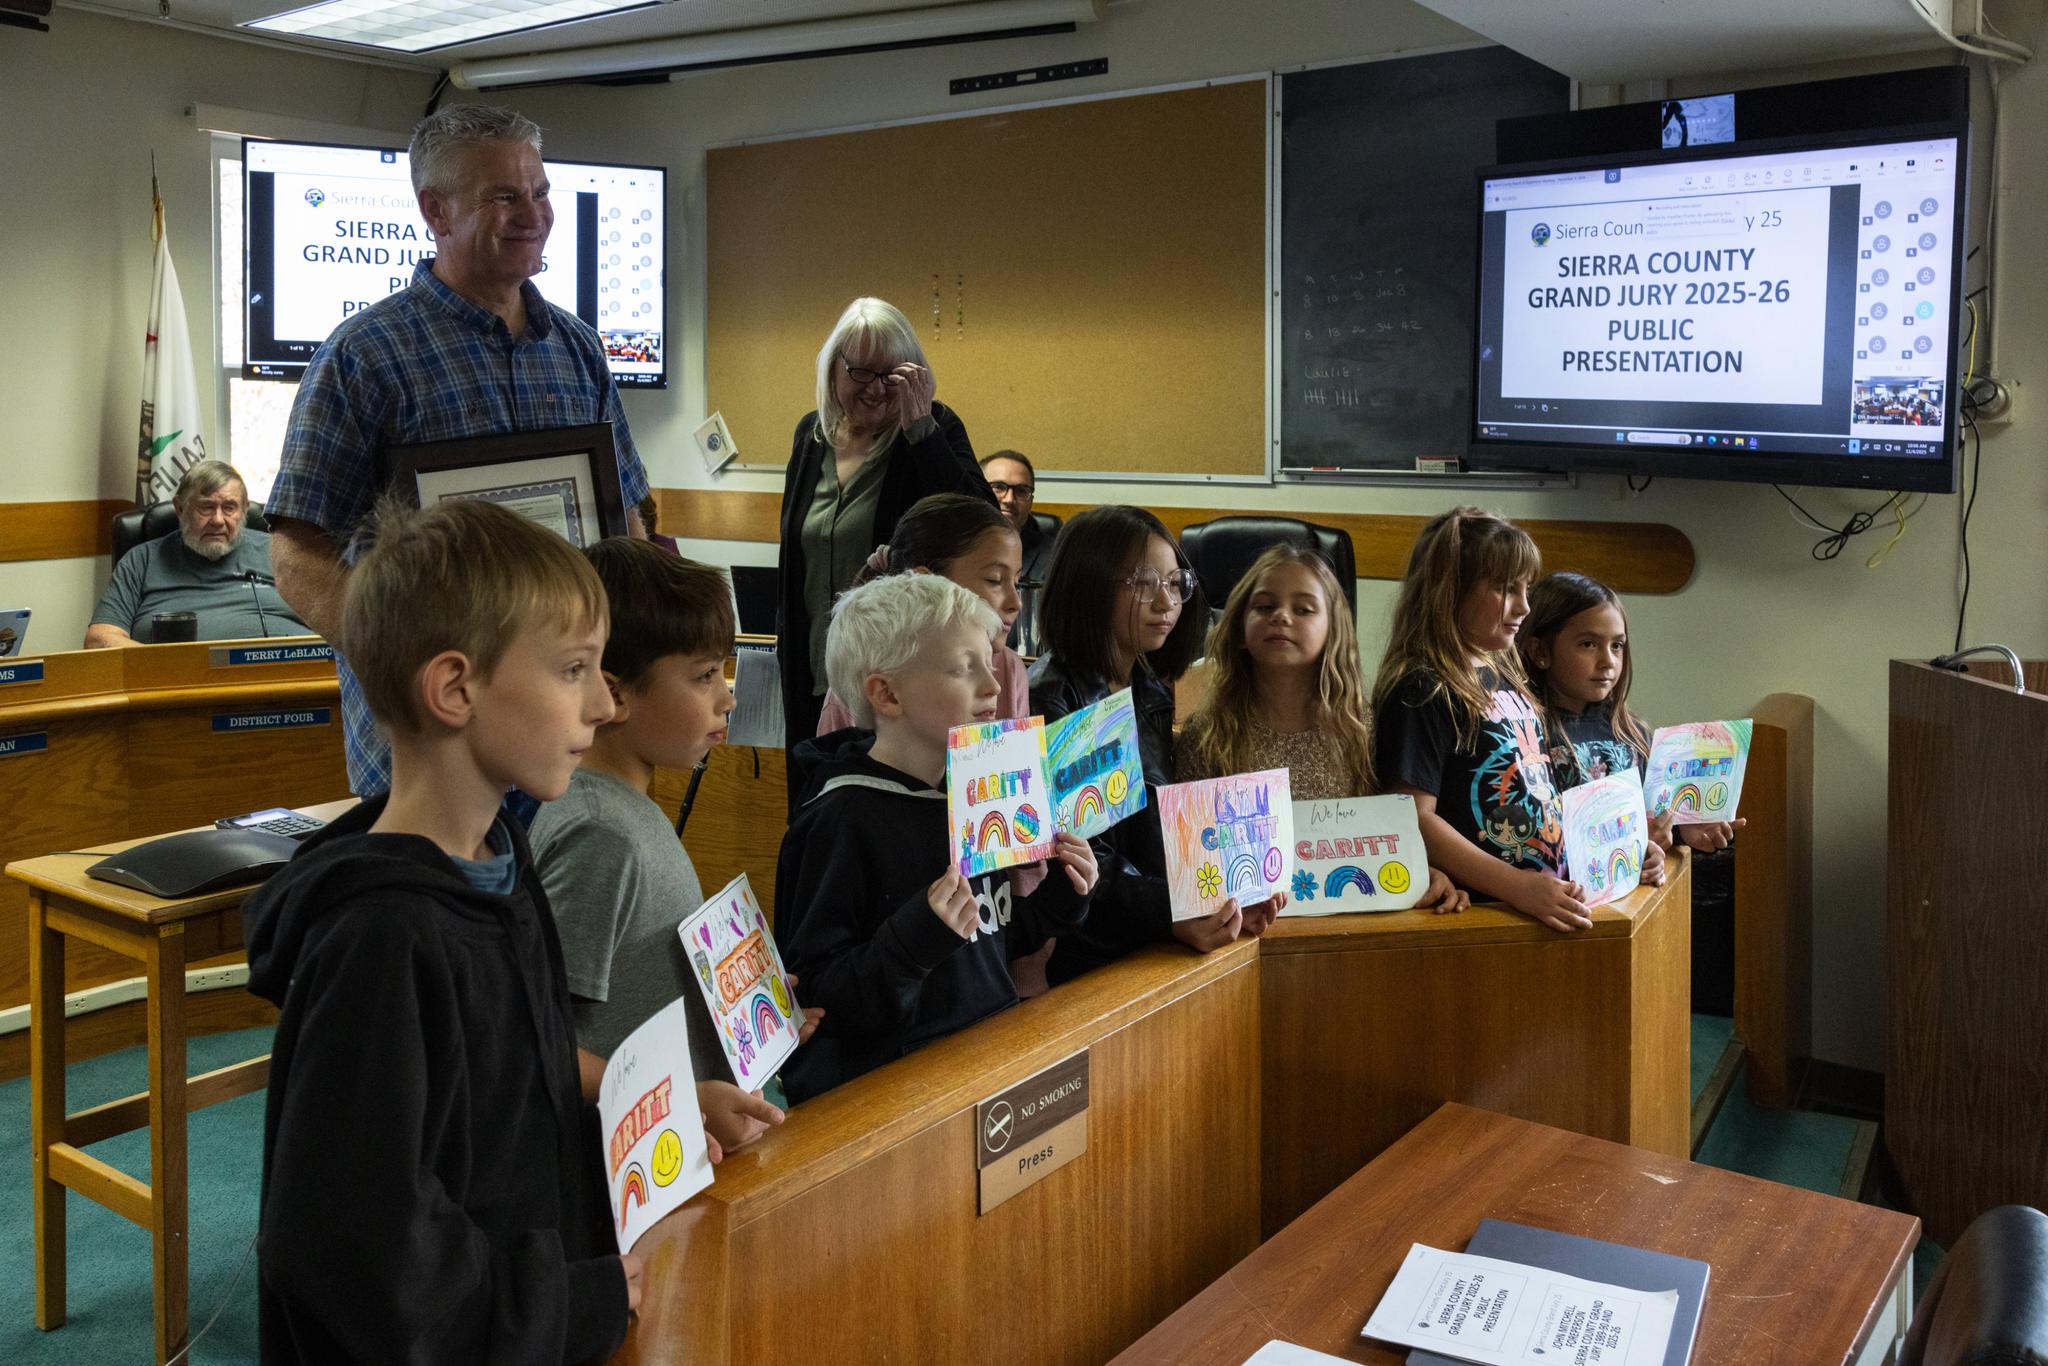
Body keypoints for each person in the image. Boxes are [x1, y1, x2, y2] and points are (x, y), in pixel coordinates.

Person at [244, 500, 690, 1363]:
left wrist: (658, 1105)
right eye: (574, 670)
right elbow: (356, 1246)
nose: (604, 703)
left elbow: (522, 1074)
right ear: (454, 689)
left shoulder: (500, 860)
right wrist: (558, 1304)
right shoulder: (382, 940)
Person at [264, 104, 649, 798]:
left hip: (569, 739)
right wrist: (408, 656)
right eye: (504, 196)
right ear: (436, 211)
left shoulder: (579, 350)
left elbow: (628, 521)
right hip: (433, 747)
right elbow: (296, 557)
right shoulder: (364, 356)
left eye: (539, 192)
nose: (532, 213)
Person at [775, 573, 1097, 1103]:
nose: (994, 687)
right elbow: (815, 995)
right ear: (887, 693)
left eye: (989, 666)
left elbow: (996, 939)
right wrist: (910, 943)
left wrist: (1065, 897)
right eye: (964, 669)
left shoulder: (974, 798)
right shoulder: (839, 819)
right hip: (891, 1100)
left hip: (982, 1070)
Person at [529, 539, 819, 1126]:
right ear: (615, 694)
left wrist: (743, 1005)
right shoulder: (600, 834)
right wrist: (682, 1102)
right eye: (705, 676)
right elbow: (532, 1041)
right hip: (626, 1179)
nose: (729, 697)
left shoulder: (626, 807)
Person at [1371, 507, 1655, 934]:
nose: (1524, 605)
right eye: (1506, 588)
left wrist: (1625, 847)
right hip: (1484, 914)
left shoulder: (1509, 677)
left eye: (1526, 588)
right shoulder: (1423, 688)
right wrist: (1515, 887)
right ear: (1452, 590)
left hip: (1537, 902)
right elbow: (1412, 816)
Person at [1029, 505, 1278, 984]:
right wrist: (1178, 910)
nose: (1167, 603)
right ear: (1089, 585)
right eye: (1143, 583)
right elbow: (1085, 859)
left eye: (1173, 583)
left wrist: (1225, 896)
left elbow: (1156, 828)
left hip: (1152, 936)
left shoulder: (1148, 687)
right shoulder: (1056, 697)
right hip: (1093, 958)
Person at [1176, 543, 1467, 913]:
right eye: (1264, 606)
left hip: (1344, 929)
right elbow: (1192, 868)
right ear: (1238, 624)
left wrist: (1421, 873)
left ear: (1333, 628)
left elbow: (1382, 840)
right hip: (1243, 937)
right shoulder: (1207, 735)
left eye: (1303, 609)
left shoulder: (1361, 728)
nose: (1281, 616)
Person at [775, 297, 991, 749]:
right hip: (810, 668)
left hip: (896, 680)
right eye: (861, 373)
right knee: (813, 804)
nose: (876, 389)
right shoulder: (810, 436)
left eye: (892, 375)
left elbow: (982, 525)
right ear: (834, 368)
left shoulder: (934, 428)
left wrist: (920, 429)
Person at [1518, 571, 1739, 856]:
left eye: (1617, 645)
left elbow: (1652, 821)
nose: (1607, 661)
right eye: (1588, 644)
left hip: (1632, 893)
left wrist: (1683, 828)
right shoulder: (1525, 733)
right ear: (1540, 650)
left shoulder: (1630, 731)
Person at [814, 494, 1027, 733]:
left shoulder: (1009, 668)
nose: (1015, 602)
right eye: (994, 580)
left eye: (1017, 582)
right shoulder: (861, 680)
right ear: (927, 582)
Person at [85, 459, 306, 646]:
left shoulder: (280, 552)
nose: (218, 520)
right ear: (180, 509)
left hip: (293, 682)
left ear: (245, 509)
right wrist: (158, 664)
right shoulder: (141, 560)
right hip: (177, 687)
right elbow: (99, 638)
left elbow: (331, 622)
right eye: (206, 507)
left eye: (229, 507)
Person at [979, 450, 1055, 655]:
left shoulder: (1053, 558)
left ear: (1030, 500)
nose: (1009, 499)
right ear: (977, 488)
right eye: (998, 487)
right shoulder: (953, 551)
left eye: (1021, 491)